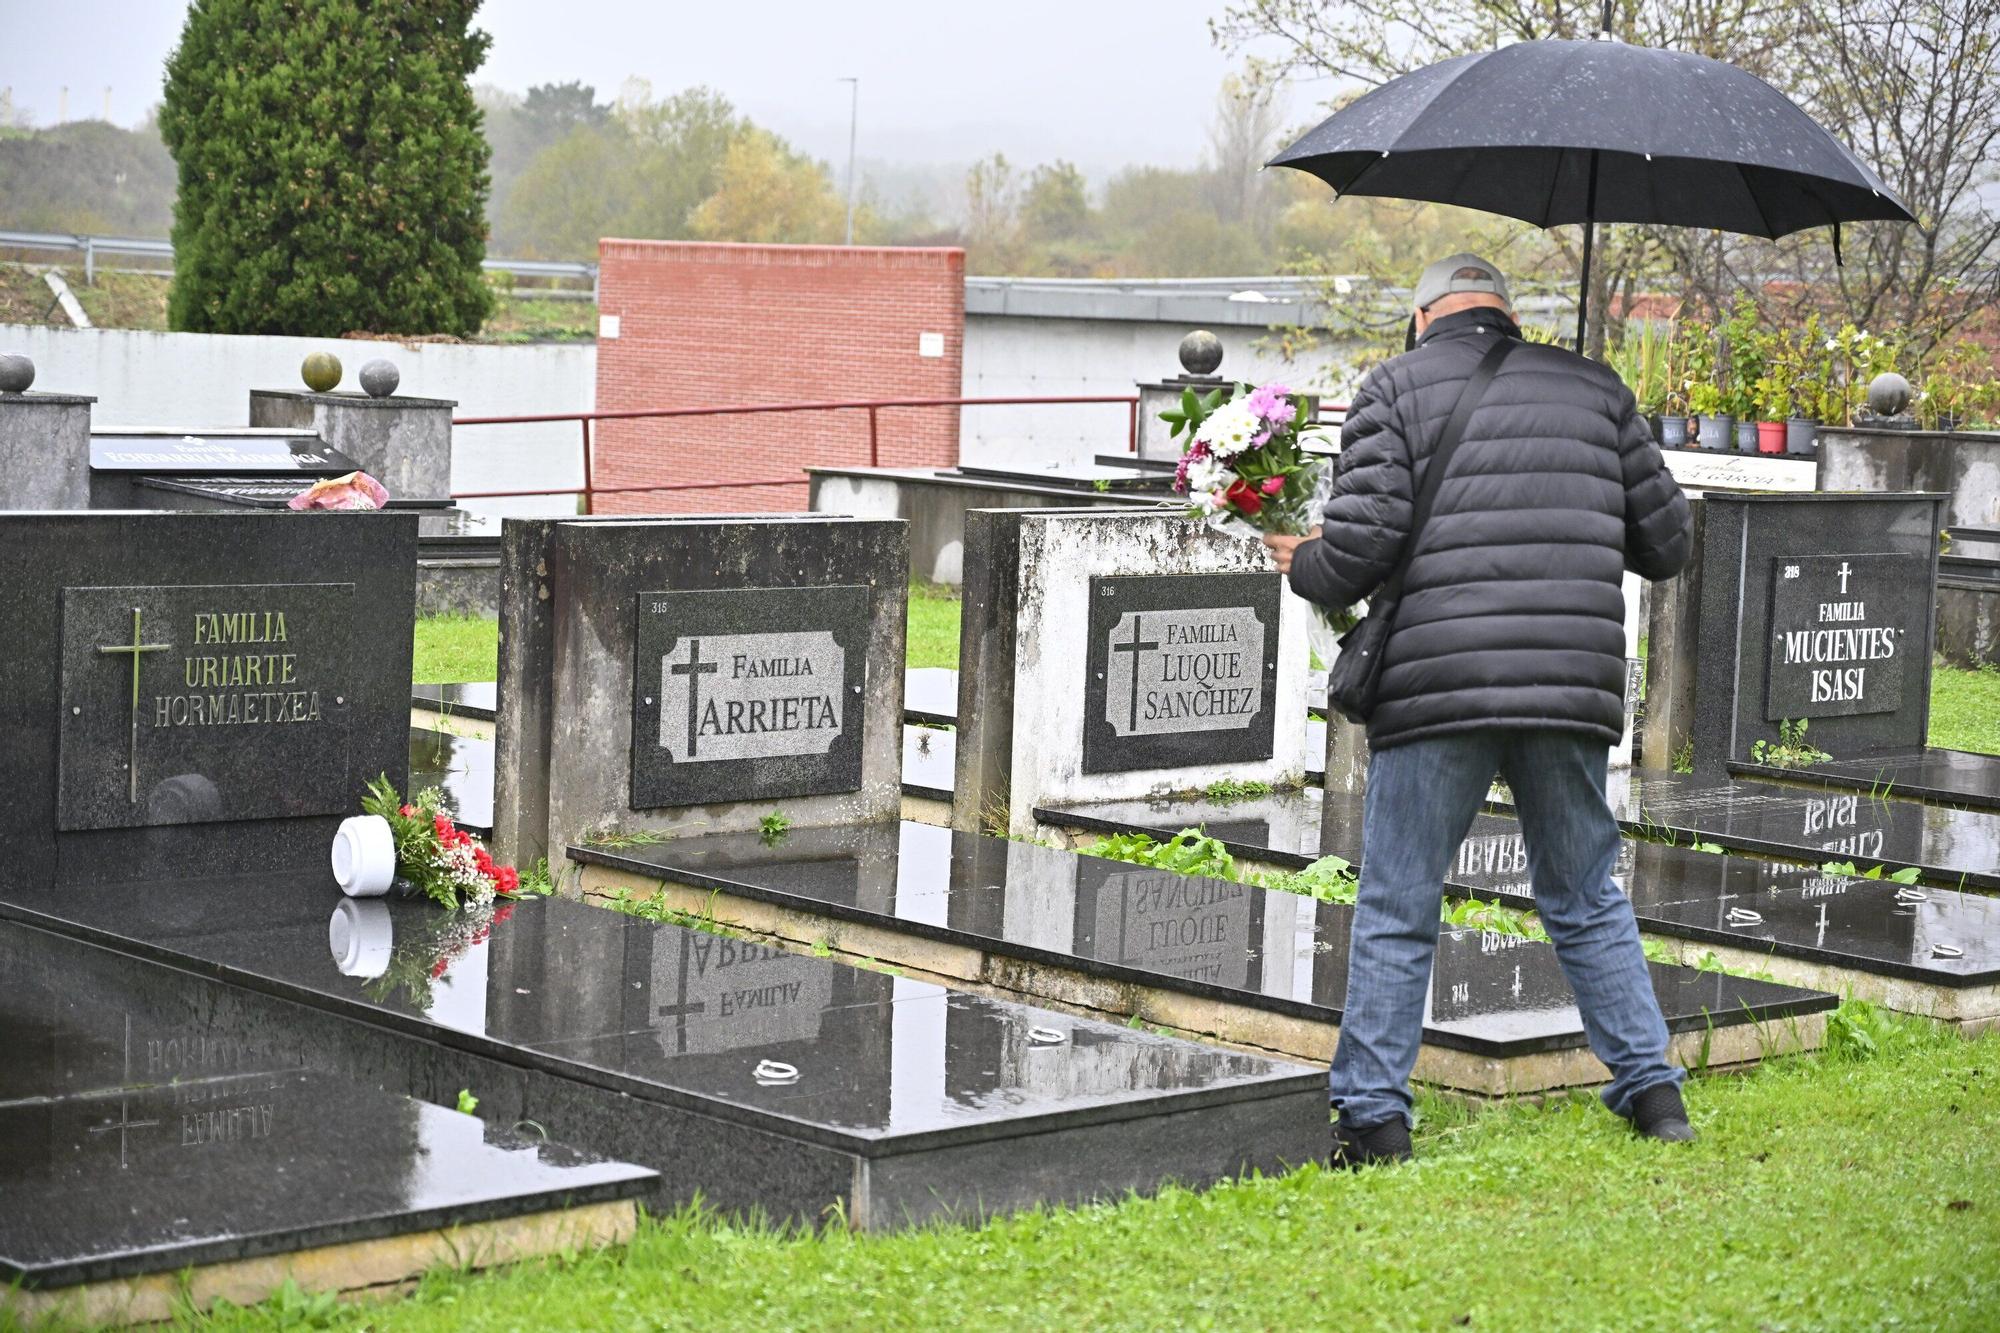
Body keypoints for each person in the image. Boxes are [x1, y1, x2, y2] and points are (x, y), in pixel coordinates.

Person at [1262, 253, 1696, 1166]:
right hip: (1567, 686)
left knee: (1397, 899)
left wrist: (1300, 557)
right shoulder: (1597, 387)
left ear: (1423, 318)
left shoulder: (1392, 388)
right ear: (1505, 313)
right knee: (1584, 892)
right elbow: (1667, 545)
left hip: (1439, 685)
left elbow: (1359, 549)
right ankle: (1654, 1091)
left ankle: (1375, 1117)